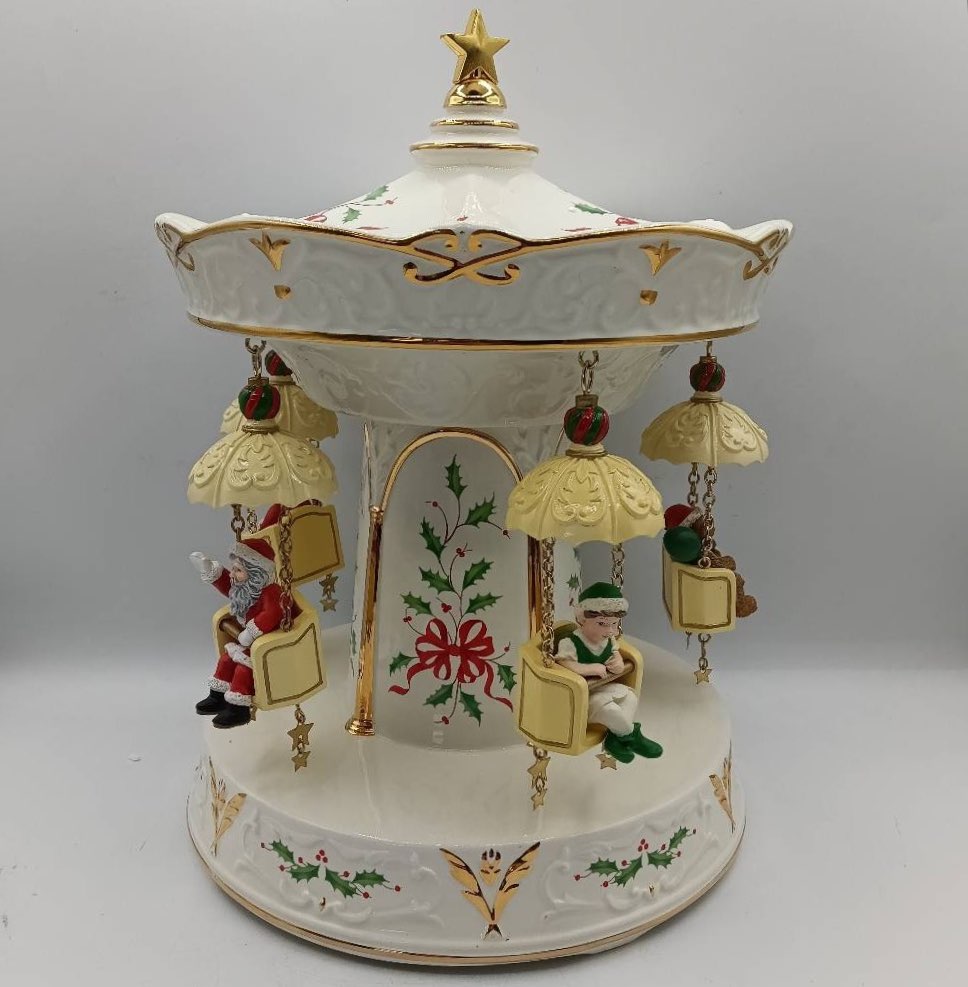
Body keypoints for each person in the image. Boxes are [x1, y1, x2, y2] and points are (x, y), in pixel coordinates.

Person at [554, 582, 663, 763]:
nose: (610, 630)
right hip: (582, 698)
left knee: (630, 697)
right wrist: (591, 668)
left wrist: (619, 663)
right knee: (611, 710)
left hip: (603, 687)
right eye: (602, 624)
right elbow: (563, 665)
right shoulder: (570, 642)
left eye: (614, 624)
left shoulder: (609, 640)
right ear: (582, 619)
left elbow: (616, 655)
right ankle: (631, 736)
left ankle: (616, 737)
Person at [189, 538, 284, 728]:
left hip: (268, 641)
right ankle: (217, 697)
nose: (232, 574)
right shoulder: (247, 589)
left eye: (237, 570)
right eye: (233, 569)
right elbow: (229, 586)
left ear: (255, 574)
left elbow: (273, 613)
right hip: (251, 642)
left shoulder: (271, 592)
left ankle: (238, 710)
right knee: (226, 660)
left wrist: (250, 632)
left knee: (243, 669)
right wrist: (210, 570)